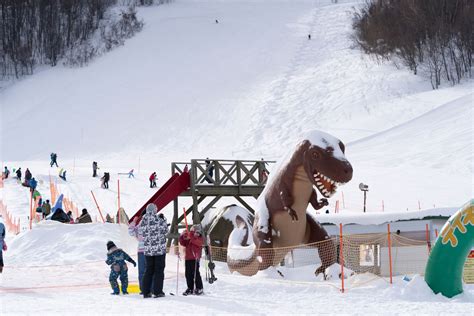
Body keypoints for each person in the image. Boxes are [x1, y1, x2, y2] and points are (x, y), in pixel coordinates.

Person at [139, 204, 169, 298]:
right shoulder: (158, 220)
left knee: (148, 270)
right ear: (155, 210)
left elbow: (141, 232)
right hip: (159, 250)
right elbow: (166, 231)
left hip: (148, 250)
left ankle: (146, 291)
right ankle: (157, 291)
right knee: (159, 270)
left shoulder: (142, 221)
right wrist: (163, 220)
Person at [179, 225, 204, 296]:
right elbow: (183, 243)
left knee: (196, 273)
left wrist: (191, 234)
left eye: (195, 232)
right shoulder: (191, 238)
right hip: (188, 258)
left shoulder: (199, 239)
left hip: (195, 258)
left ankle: (199, 287)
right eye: (193, 232)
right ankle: (190, 288)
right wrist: (182, 236)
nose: (195, 234)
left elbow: (195, 241)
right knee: (188, 274)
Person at [128, 215, 146, 293]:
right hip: (150, 251)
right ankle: (151, 288)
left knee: (142, 271)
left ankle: (143, 289)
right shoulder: (152, 224)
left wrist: (134, 221)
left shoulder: (139, 226)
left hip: (141, 251)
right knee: (150, 270)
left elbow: (131, 232)